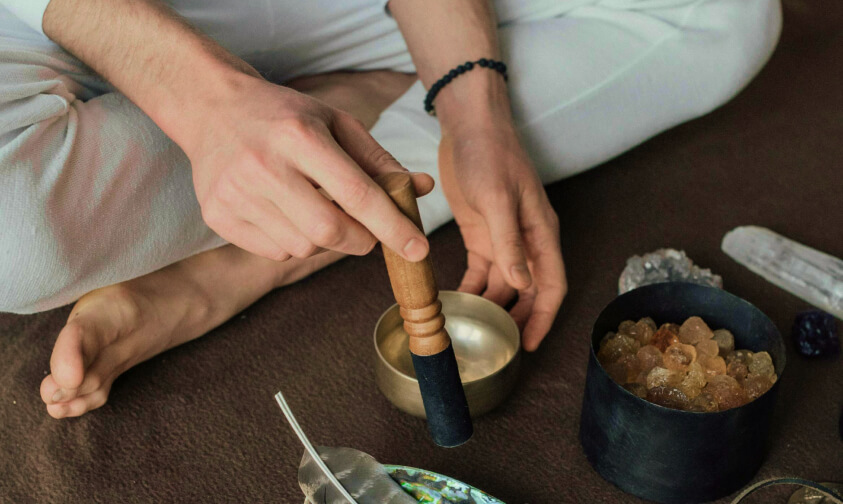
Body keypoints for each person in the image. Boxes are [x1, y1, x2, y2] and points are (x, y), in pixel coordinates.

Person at [0, 0, 781, 418]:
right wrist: (202, 98)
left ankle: (230, 266)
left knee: (725, 10)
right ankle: (349, 114)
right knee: (13, 241)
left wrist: (474, 110)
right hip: (57, 21)